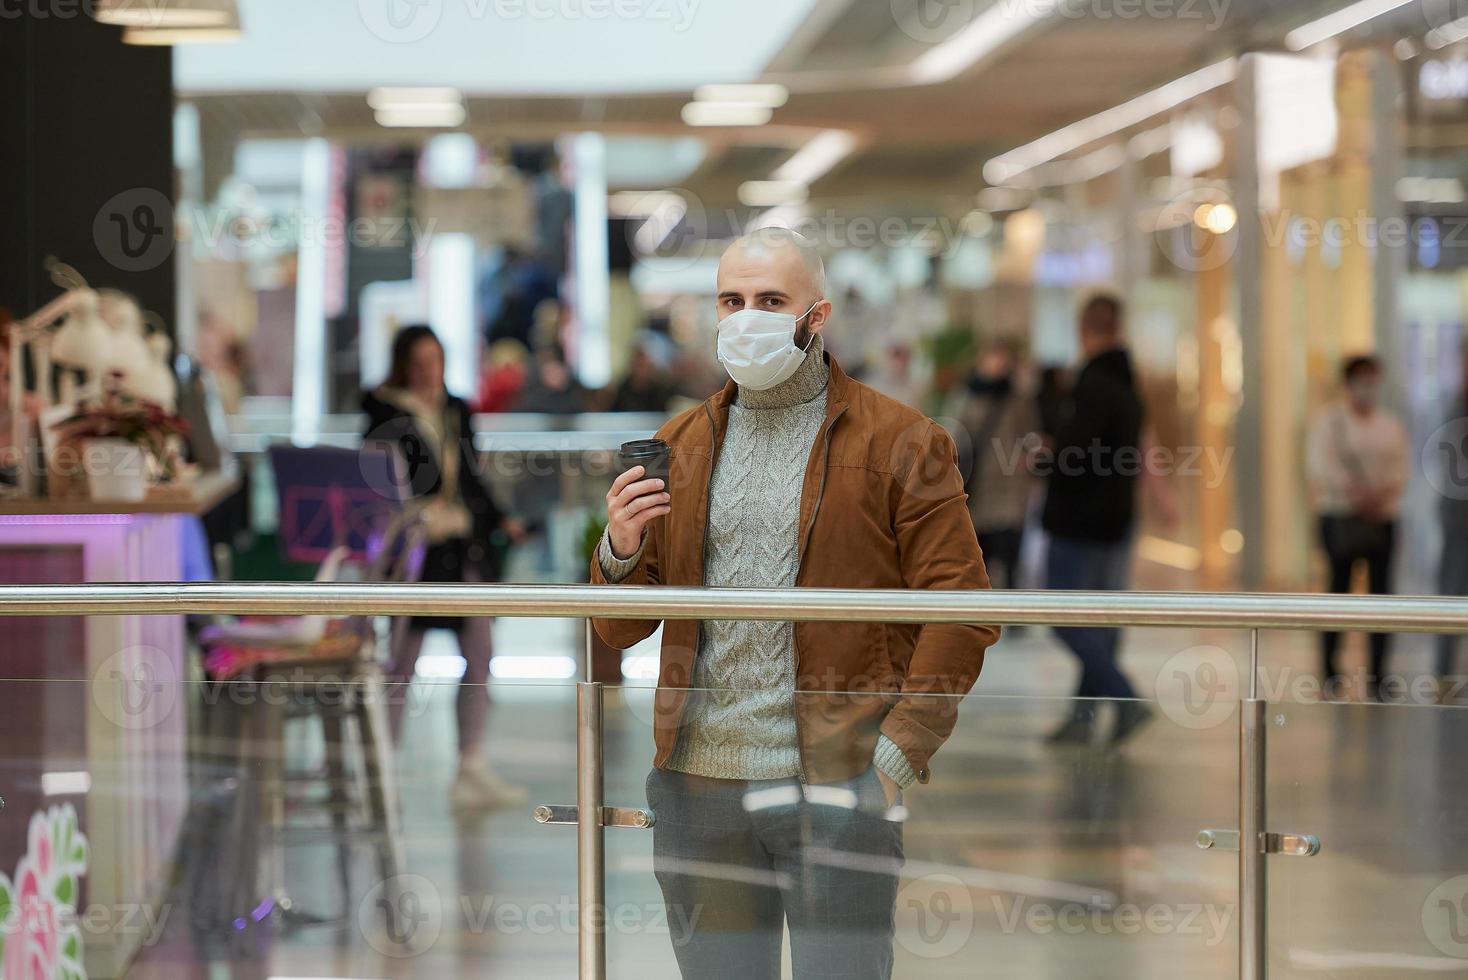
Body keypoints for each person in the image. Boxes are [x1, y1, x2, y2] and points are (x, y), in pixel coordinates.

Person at [589, 228, 998, 980]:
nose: (747, 318)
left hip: (840, 781)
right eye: (732, 301)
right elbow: (620, 624)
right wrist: (617, 548)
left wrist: (900, 747)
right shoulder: (678, 443)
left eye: (771, 301)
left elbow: (962, 605)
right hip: (698, 784)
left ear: (818, 315)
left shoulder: (904, 442)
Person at [362, 325, 527, 811]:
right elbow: (379, 481)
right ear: (404, 364)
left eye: (436, 359)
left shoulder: (456, 408)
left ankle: (470, 763)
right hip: (415, 553)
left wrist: (500, 518)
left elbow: (471, 476)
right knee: (401, 662)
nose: (429, 371)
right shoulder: (383, 411)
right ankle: (384, 768)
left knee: (480, 653)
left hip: (461, 548)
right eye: (420, 361)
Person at [1041, 294, 1150, 745]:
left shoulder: (1090, 386)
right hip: (1118, 519)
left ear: (1084, 329)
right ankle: (1085, 719)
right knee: (1101, 622)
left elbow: (1073, 453)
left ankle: (1125, 697)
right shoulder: (1130, 385)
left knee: (1063, 615)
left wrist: (1046, 454)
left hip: (1078, 521)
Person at [1305, 355, 1408, 701]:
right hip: (1340, 520)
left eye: (1374, 380)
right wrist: (1357, 494)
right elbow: (1321, 467)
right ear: (1347, 383)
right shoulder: (1329, 423)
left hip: (1381, 521)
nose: (1369, 388)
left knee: (1383, 598)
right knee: (1338, 593)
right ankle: (1330, 672)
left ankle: (1378, 674)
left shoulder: (1390, 425)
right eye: (1362, 380)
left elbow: (1400, 468)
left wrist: (1380, 496)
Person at [945, 339, 1042, 590]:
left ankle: (1012, 613)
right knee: (979, 559)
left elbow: (1030, 435)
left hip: (1010, 490)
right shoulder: (965, 396)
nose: (999, 364)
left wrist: (1030, 457)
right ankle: (982, 615)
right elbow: (951, 436)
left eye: (1003, 359)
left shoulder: (1018, 397)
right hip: (977, 488)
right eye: (994, 357)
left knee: (1010, 558)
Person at [607, 334, 676, 413]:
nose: (640, 362)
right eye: (637, 357)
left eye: (643, 357)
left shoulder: (664, 390)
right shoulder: (621, 389)